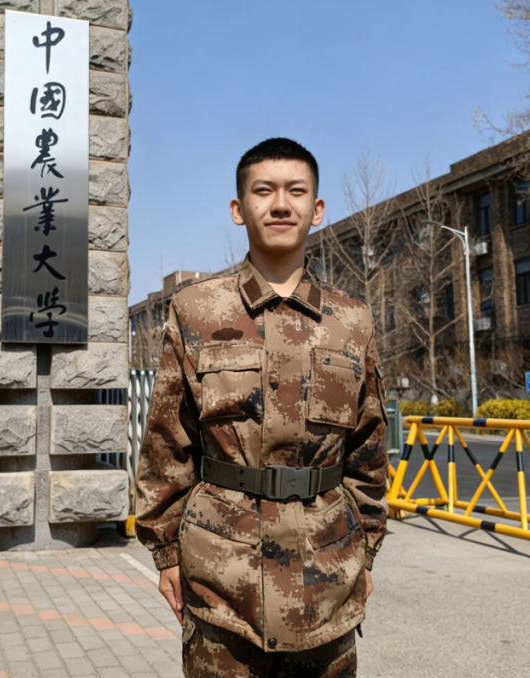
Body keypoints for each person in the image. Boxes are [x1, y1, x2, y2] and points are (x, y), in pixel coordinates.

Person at [135, 138, 388, 678]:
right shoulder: (197, 311)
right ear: (238, 208)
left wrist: (365, 551)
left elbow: (368, 450)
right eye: (263, 191)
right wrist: (166, 554)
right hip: (222, 578)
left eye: (296, 191)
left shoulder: (352, 320)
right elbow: (166, 443)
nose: (280, 205)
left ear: (317, 210)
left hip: (328, 572)